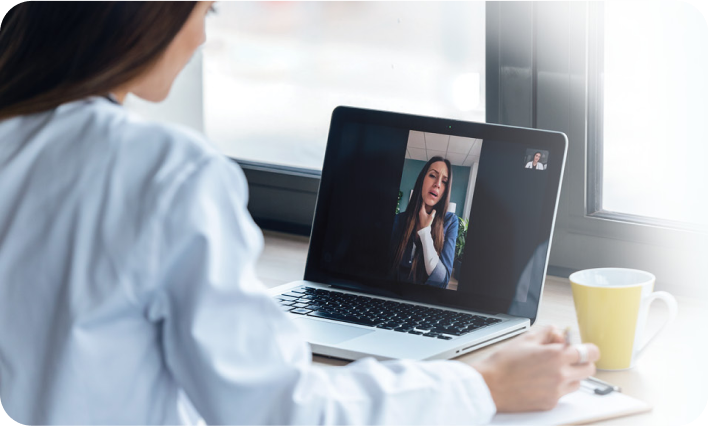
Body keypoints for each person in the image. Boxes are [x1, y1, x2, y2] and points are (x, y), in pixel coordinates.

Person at [0, 2, 600, 425]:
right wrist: (487, 385)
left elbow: (440, 279)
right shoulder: (161, 173)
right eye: (205, 11)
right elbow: (283, 412)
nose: (202, 38)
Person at [390, 157, 458, 289]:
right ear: (422, 180)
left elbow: (442, 280)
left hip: (427, 299)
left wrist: (425, 232)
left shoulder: (450, 222)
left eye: (444, 181)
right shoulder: (398, 220)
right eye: (433, 175)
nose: (437, 184)